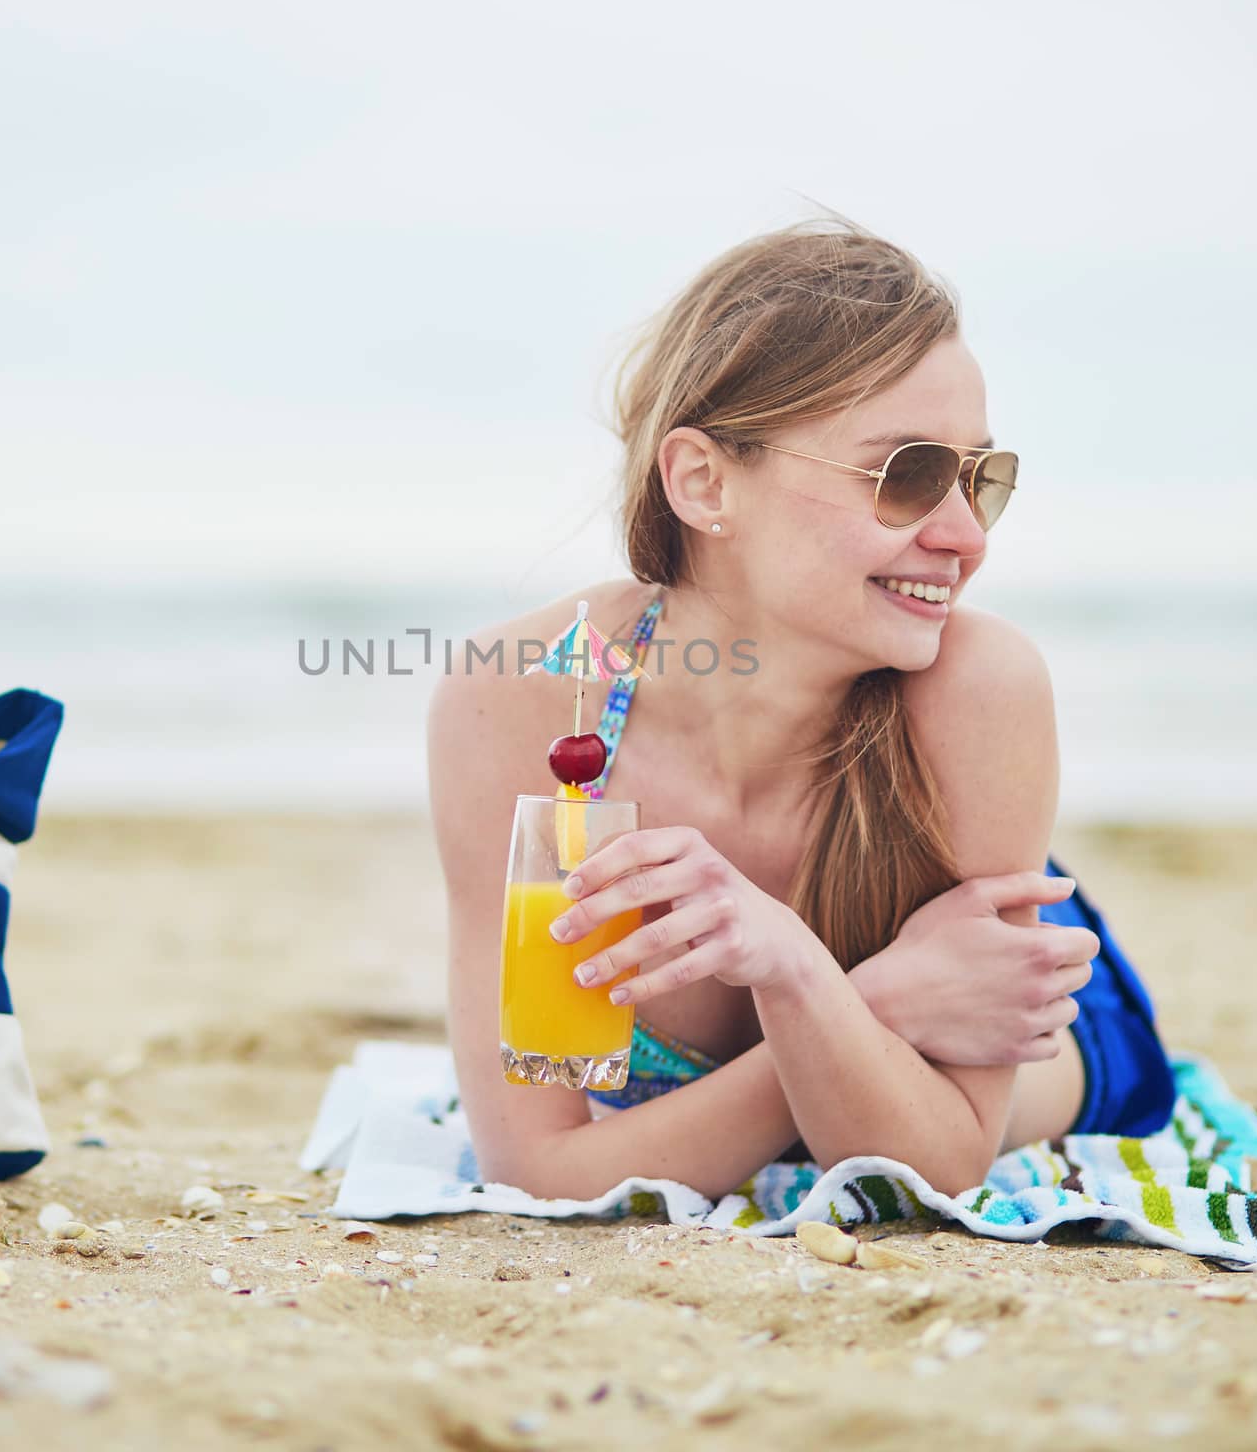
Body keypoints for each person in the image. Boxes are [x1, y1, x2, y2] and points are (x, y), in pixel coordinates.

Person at [428, 213, 1177, 1203]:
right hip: (904, 977)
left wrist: (794, 967)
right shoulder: (528, 700)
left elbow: (939, 1161)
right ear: (702, 481)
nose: (962, 536)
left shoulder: (975, 691)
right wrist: (857, 997)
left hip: (1051, 1018)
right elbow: (543, 1168)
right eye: (904, 475)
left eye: (978, 478)